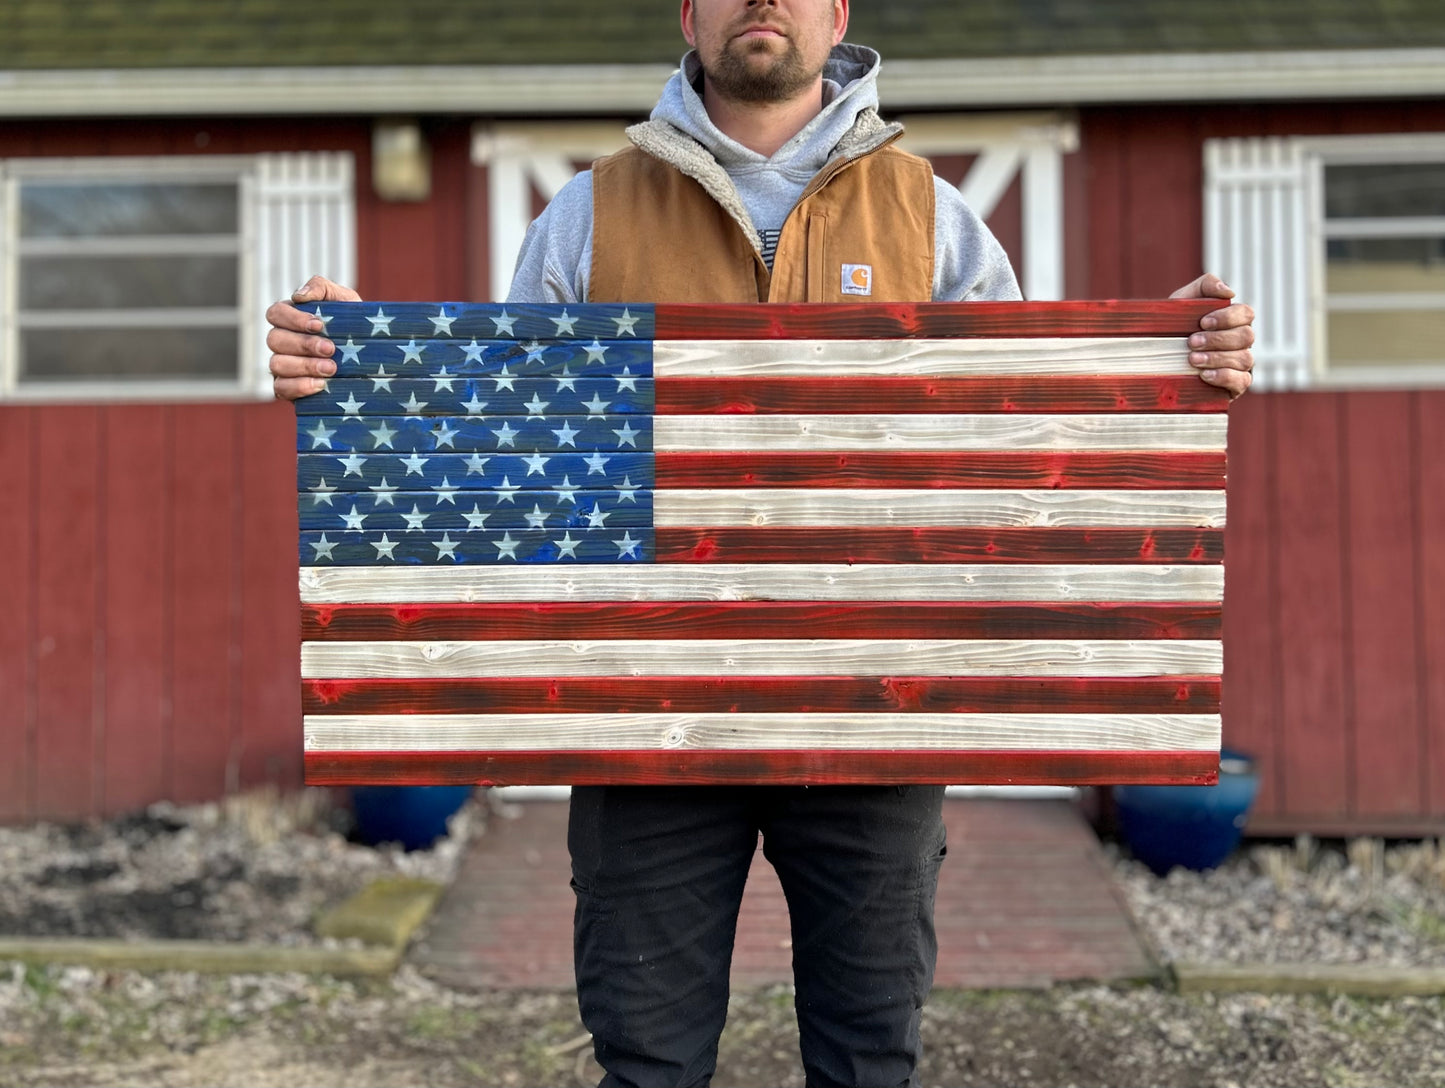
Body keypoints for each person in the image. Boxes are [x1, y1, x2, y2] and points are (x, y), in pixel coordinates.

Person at [268, 3, 1255, 1084]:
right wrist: (362, 372)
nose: (761, 1)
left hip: (875, 717)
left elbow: (1023, 443)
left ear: (835, 14)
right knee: (645, 1057)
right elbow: (515, 463)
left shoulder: (933, 215)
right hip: (644, 724)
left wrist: (1155, 366)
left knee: (868, 1052)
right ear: (689, 14)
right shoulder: (588, 213)